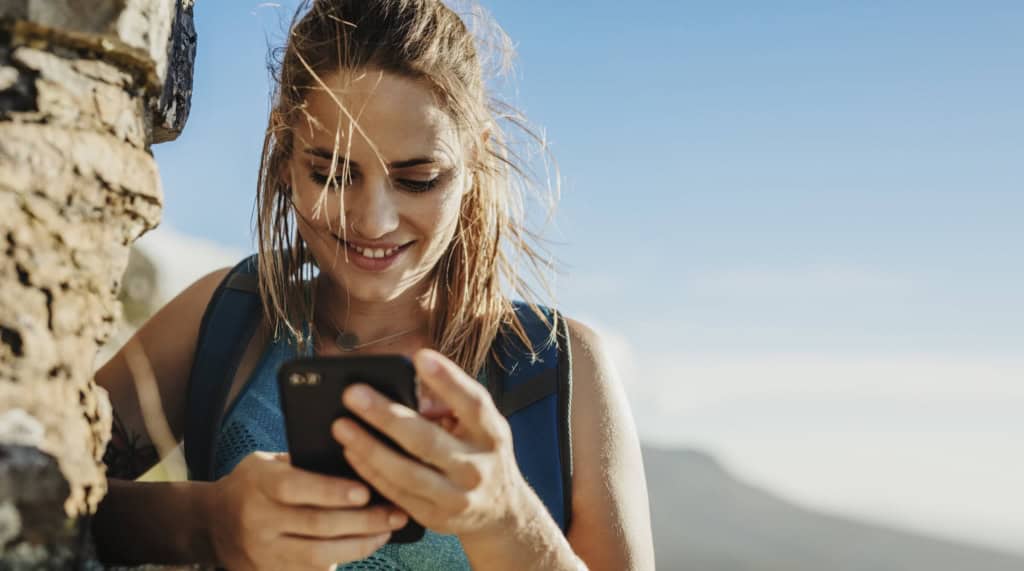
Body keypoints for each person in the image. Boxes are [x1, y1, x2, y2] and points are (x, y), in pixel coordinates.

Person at [93, 1, 655, 569]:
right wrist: (208, 522)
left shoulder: (562, 369)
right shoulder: (228, 318)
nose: (373, 222)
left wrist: (505, 516)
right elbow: (36, 485)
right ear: (284, 152)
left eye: (418, 179)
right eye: (332, 173)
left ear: (475, 158)